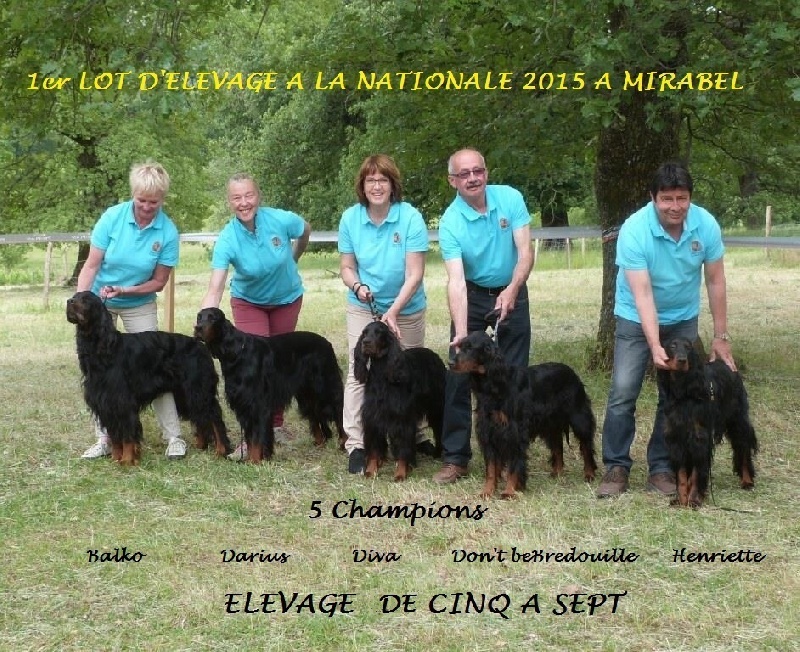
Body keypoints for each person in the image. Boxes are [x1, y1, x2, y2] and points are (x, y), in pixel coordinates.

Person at [596, 160, 737, 499]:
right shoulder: (634, 230)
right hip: (635, 316)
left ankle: (661, 467)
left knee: (675, 396)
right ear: (653, 198)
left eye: (682, 198)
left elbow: (715, 280)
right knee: (623, 391)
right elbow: (643, 294)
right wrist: (654, 343)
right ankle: (616, 466)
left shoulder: (705, 225)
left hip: (683, 318)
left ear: (690, 198)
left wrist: (720, 337)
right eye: (667, 199)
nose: (675, 206)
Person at [434, 148, 535, 484]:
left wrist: (513, 288)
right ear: (453, 181)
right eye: (464, 174)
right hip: (473, 295)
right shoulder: (450, 222)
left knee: (513, 377)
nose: (473, 178)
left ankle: (512, 457)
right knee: (457, 376)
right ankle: (456, 458)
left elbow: (525, 252)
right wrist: (462, 334)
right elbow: (456, 281)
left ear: (486, 173)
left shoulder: (510, 199)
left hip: (512, 290)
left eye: (478, 171)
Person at [78, 161, 186, 460]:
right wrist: (82, 300)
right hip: (101, 302)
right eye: (142, 200)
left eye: (154, 202)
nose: (147, 207)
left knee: (157, 368)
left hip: (139, 301)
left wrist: (125, 290)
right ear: (133, 194)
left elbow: (159, 282)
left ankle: (173, 437)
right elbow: (92, 265)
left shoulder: (167, 231)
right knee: (98, 373)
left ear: (162, 199)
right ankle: (104, 438)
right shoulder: (112, 218)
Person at [201, 172, 311, 461]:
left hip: (287, 298)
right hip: (249, 302)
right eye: (237, 197)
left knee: (278, 363)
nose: (244, 202)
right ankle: (251, 433)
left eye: (248, 195)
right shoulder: (227, 238)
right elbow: (216, 286)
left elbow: (305, 230)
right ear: (230, 202)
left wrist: (294, 256)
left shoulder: (280, 219)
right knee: (253, 366)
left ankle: (274, 426)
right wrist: (204, 319)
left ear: (258, 196)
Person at [338, 154, 433, 474]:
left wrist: (392, 312)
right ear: (362, 186)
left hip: (406, 305)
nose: (376, 186)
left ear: (393, 185)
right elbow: (347, 267)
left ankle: (413, 435)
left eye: (383, 180)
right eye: (370, 180)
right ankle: (357, 444)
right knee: (359, 372)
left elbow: (415, 273)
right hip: (364, 304)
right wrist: (358, 286)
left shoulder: (410, 217)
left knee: (407, 371)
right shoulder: (350, 219)